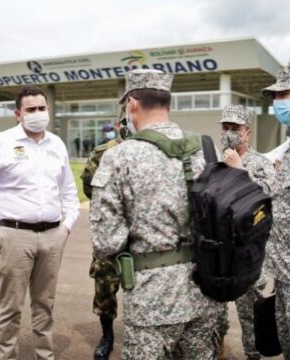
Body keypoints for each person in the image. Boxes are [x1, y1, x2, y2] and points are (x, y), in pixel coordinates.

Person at [90, 69, 223, 359]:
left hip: (152, 301)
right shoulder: (204, 149)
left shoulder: (119, 157)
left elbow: (105, 242)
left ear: (132, 104)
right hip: (205, 291)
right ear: (167, 103)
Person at [0, 86, 80, 360]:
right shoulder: (2, 142)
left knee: (45, 304)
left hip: (53, 235)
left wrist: (66, 226)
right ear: (18, 114)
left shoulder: (56, 144)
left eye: (42, 108)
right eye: (31, 109)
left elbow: (69, 190)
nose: (38, 114)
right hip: (14, 235)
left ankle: (44, 355)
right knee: (10, 307)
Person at [218, 104, 277, 360]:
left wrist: (240, 170)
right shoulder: (214, 163)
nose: (230, 133)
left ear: (248, 133)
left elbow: (267, 202)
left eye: (236, 128)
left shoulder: (261, 164)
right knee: (212, 321)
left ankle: (252, 355)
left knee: (251, 319)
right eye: (226, 127)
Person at [81, 119, 126, 360]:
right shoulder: (103, 153)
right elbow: (88, 187)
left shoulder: (154, 150)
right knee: (105, 285)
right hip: (109, 232)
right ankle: (107, 335)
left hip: (144, 234)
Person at [262, 66, 290, 359]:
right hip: (282, 272)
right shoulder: (287, 147)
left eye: (283, 94)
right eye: (275, 96)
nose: (277, 102)